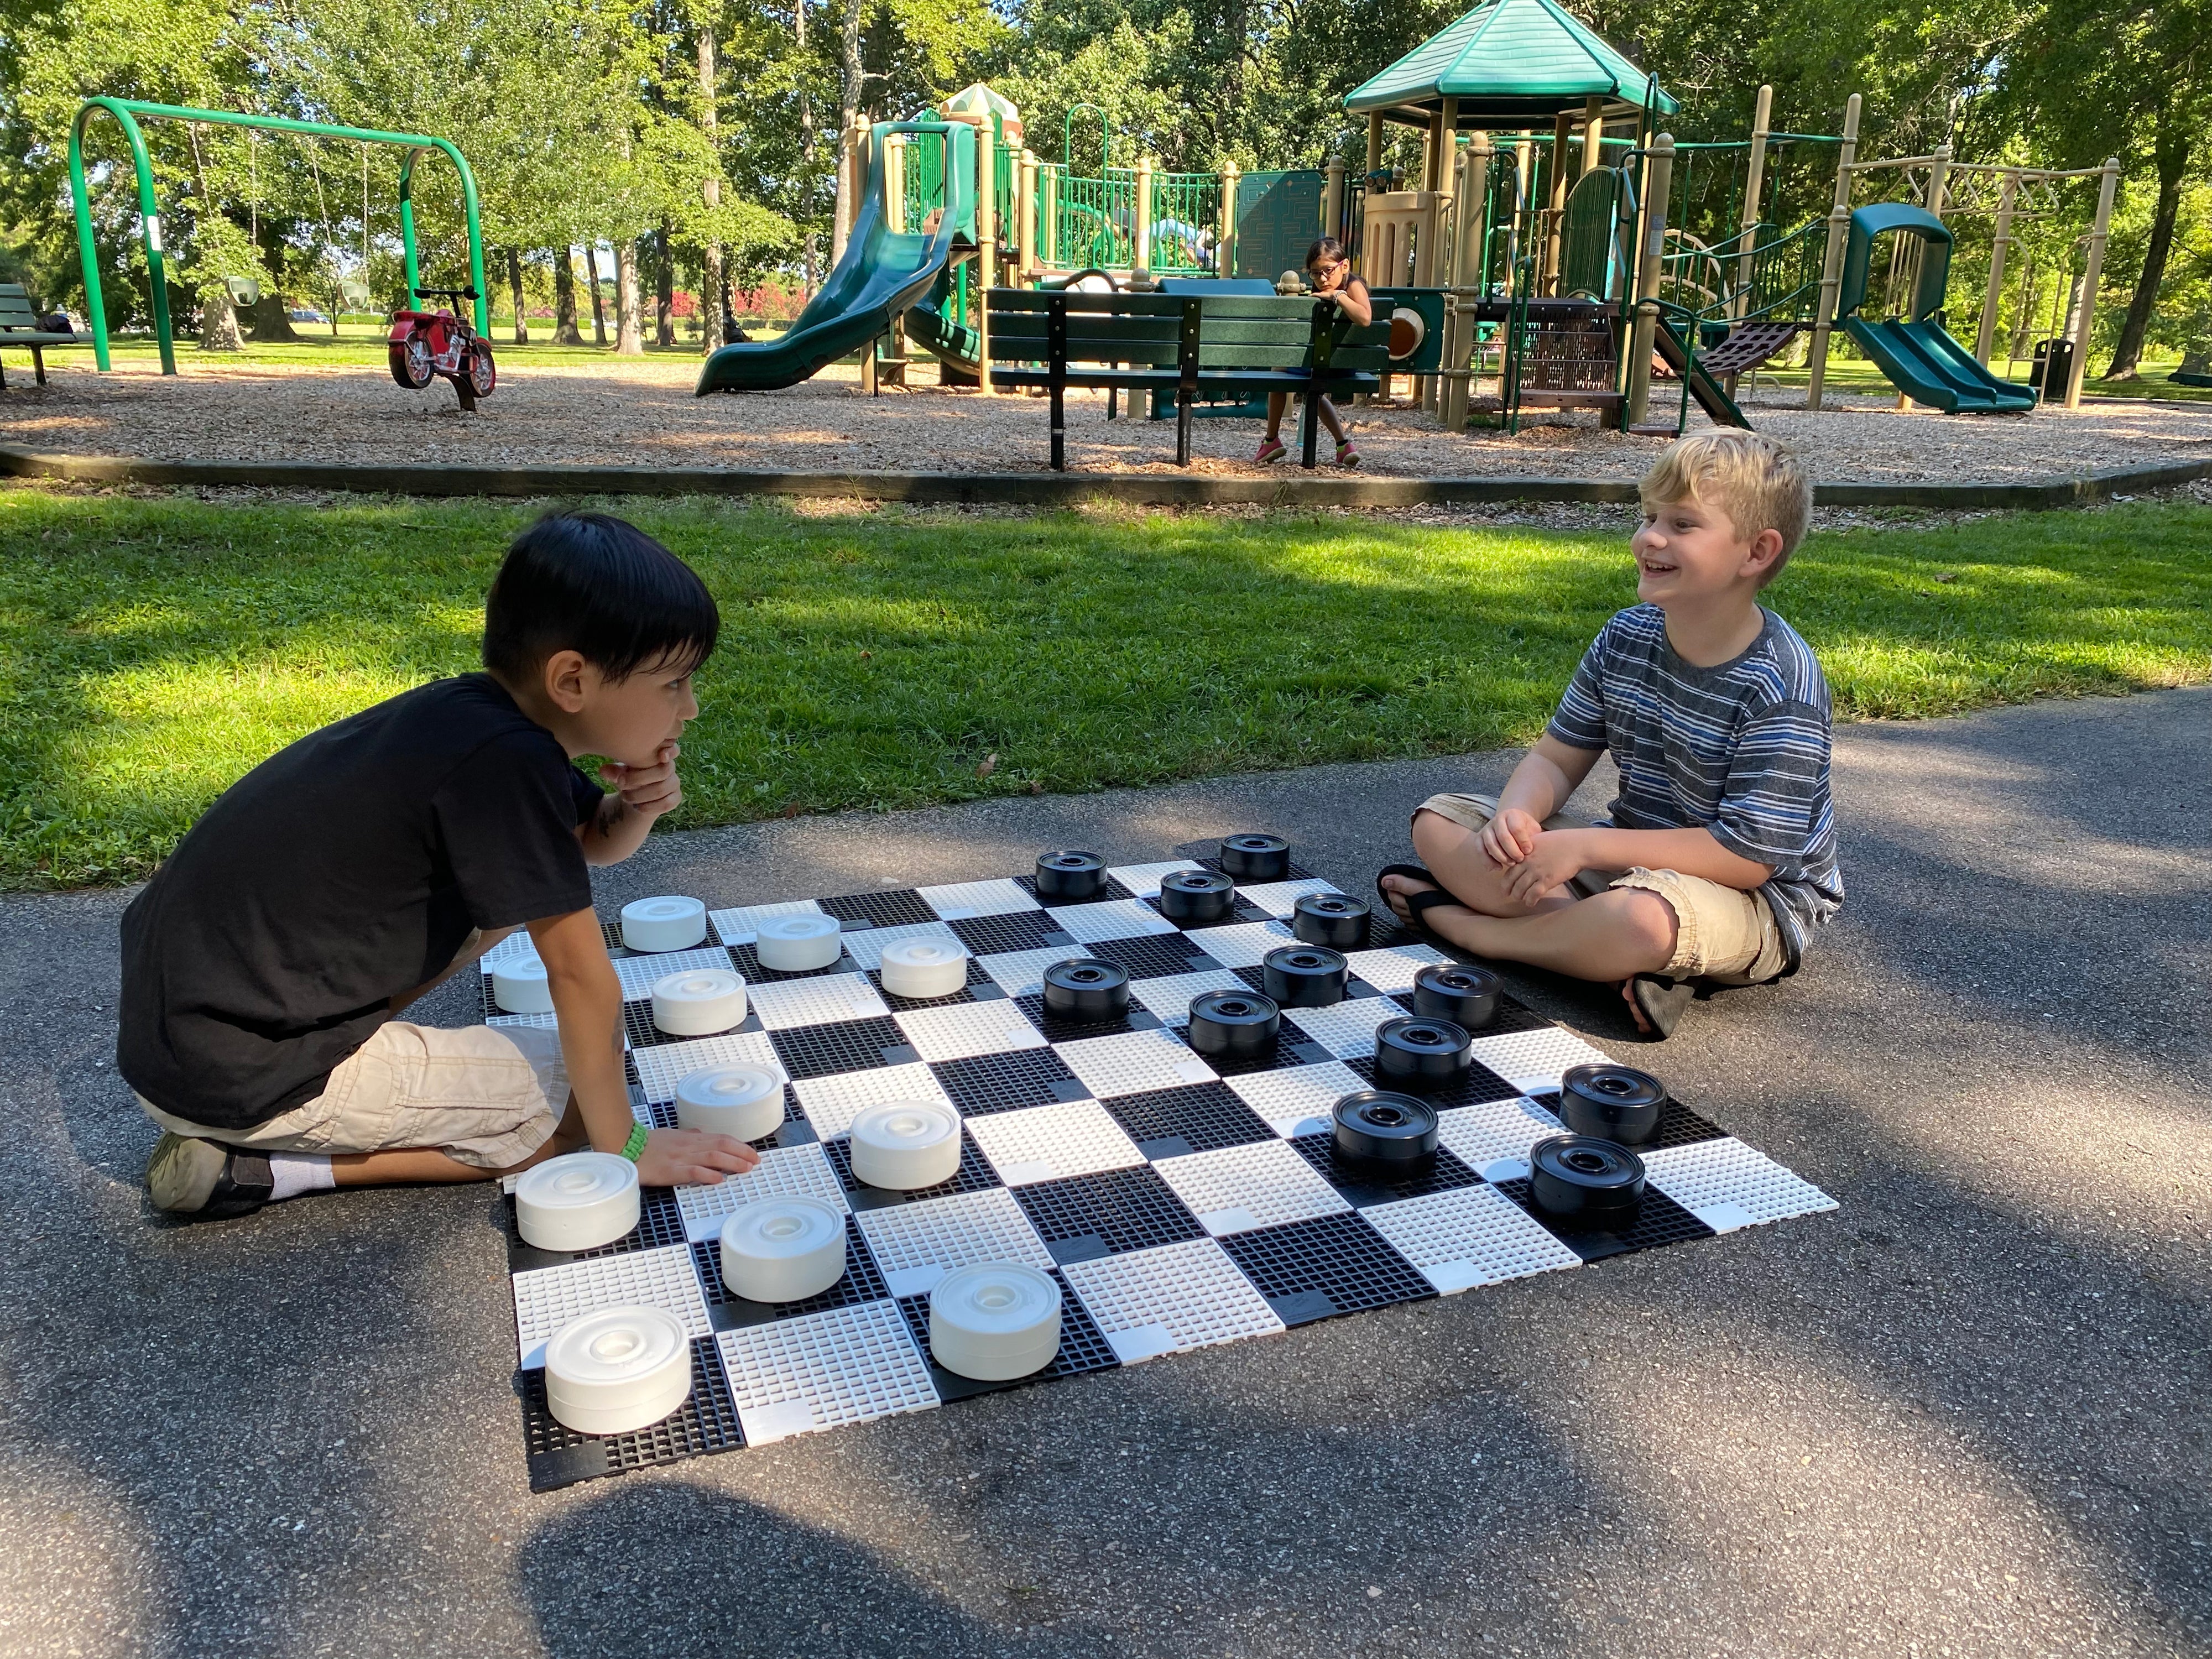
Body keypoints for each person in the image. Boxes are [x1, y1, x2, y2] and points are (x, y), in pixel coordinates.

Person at [122, 512, 761, 1220]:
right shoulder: (508, 765)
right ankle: (258, 1169)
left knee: (511, 933)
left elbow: (586, 841)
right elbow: (580, 975)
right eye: (673, 683)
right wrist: (626, 1144)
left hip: (183, 1031)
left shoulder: (478, 721)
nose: (691, 709)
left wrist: (633, 808)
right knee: (569, 1100)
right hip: (239, 1068)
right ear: (572, 680)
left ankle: (287, 1108)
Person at [1378, 431, 1841, 1039]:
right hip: (1629, 853)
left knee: (1643, 924)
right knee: (1438, 821)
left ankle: (1477, 931)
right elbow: (1554, 758)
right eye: (1649, 517)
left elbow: (1747, 858)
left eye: (1682, 524)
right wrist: (1518, 816)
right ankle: (1596, 954)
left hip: (1758, 902)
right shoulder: (1625, 637)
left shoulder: (1782, 682)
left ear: (1755, 552)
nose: (1649, 538)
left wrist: (1584, 852)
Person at [1255, 237, 1368, 468]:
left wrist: (1338, 296)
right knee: (1311, 388)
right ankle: (1343, 445)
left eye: (1328, 270)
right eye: (1316, 274)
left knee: (1279, 370)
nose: (1324, 279)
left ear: (1344, 266)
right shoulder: (1320, 289)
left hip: (1341, 365)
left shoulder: (1352, 285)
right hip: (1327, 364)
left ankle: (1271, 439)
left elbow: (1365, 318)